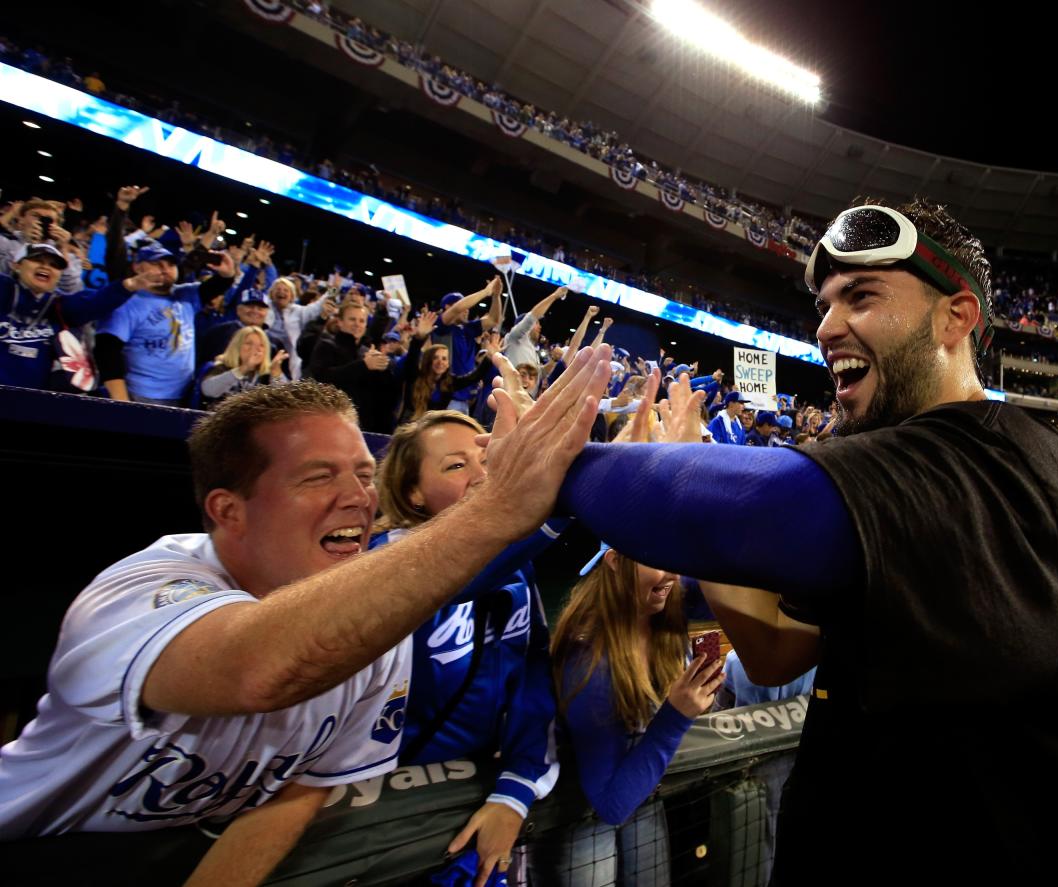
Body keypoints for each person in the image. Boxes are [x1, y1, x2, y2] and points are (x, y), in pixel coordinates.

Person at [552, 199, 1058, 882]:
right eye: (825, 303)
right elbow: (772, 650)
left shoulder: (967, 465)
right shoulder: (1015, 460)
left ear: (956, 316)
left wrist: (548, 463)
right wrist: (698, 505)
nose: (827, 325)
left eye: (861, 295)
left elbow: (737, 504)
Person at [0, 340, 615, 885]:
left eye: (362, 474)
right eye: (318, 477)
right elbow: (259, 668)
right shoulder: (145, 585)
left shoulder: (373, 626)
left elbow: (299, 794)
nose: (356, 498)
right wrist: (500, 508)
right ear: (228, 510)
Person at [370, 409, 559, 887]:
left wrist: (514, 792)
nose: (481, 477)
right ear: (413, 492)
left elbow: (533, 682)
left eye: (489, 461)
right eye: (456, 466)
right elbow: (444, 582)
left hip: (479, 816)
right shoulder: (379, 565)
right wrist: (557, 505)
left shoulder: (518, 568)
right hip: (382, 826)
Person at [541, 544, 721, 885]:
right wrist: (676, 716)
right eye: (657, 559)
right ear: (614, 561)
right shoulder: (588, 660)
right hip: (578, 813)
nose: (673, 574)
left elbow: (730, 586)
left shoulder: (663, 604)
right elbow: (610, 803)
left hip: (640, 788)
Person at [0, 244, 157, 392]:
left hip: (33, 402)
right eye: (37, 260)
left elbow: (93, 303)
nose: (46, 267)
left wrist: (127, 286)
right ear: (16, 265)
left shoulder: (60, 305)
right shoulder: (4, 289)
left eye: (54, 265)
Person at [94, 242, 236, 405]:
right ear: (137, 267)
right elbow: (107, 352)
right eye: (156, 263)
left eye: (171, 264)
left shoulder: (185, 294)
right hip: (142, 396)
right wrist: (121, 402)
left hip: (185, 393)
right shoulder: (126, 303)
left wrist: (228, 273)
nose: (165, 269)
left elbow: (216, 286)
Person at [309, 301, 398, 433]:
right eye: (352, 319)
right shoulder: (326, 345)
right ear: (339, 322)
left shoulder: (367, 352)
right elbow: (323, 378)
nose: (357, 324)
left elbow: (383, 399)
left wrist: (383, 370)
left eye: (362, 321)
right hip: (331, 424)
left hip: (364, 429)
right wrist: (363, 365)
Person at [435, 277, 504, 413]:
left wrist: (496, 296)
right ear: (447, 307)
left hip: (467, 399)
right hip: (448, 398)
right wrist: (486, 291)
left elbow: (493, 319)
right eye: (464, 306)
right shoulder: (441, 327)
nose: (467, 310)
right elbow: (457, 309)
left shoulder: (467, 329)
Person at [198, 325, 287, 406]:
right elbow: (208, 390)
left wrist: (276, 374)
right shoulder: (222, 367)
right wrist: (244, 368)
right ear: (237, 346)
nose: (255, 349)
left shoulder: (267, 375)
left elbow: (284, 400)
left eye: (261, 345)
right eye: (249, 343)